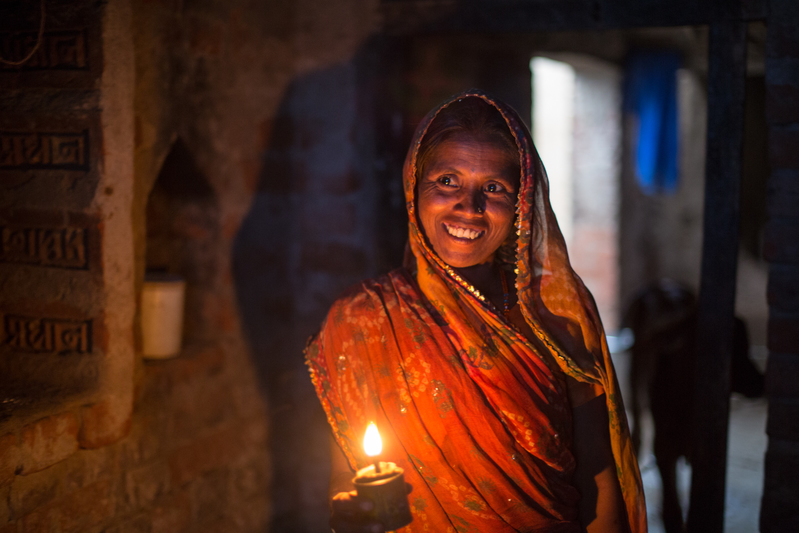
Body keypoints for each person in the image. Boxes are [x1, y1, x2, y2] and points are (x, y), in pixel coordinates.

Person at [306, 90, 646, 533]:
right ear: (415, 188)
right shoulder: (363, 321)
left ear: (521, 202)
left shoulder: (555, 312)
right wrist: (351, 514)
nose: (469, 206)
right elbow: (347, 478)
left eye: (494, 188)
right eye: (447, 180)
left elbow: (598, 478)